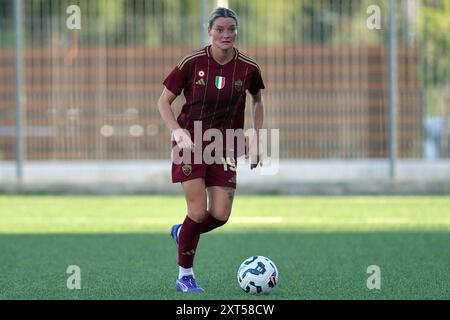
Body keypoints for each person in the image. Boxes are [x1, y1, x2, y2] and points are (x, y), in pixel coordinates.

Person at [157, 7, 265, 293]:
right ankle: (185, 276)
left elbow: (257, 101)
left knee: (219, 214)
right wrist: (177, 132)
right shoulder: (191, 63)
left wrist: (255, 138)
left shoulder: (248, 68)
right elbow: (163, 102)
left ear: (236, 31)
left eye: (231, 29)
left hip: (225, 144)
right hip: (190, 142)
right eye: (220, 29)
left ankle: (183, 233)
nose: (225, 34)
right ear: (210, 32)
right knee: (197, 210)